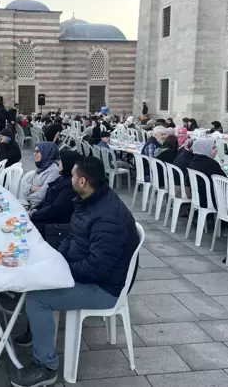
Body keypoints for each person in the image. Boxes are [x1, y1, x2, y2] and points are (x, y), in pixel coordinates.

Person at [12, 157, 139, 387]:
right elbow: (73, 235)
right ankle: (38, 332)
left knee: (37, 297)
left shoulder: (107, 216)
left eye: (71, 175)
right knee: (35, 275)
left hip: (106, 288)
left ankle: (46, 367)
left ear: (82, 181)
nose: (67, 178)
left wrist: (62, 270)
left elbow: (97, 268)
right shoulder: (89, 200)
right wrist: (57, 258)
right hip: (87, 270)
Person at [29, 150, 84, 241]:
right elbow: (47, 199)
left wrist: (35, 214)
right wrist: (35, 209)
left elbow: (55, 210)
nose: (58, 162)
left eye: (61, 161)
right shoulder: (62, 178)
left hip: (50, 226)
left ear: (67, 163)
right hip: (43, 216)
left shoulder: (69, 186)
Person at [186, 139, 226, 208]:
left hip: (197, 197)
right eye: (213, 148)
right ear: (205, 149)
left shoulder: (193, 161)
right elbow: (224, 180)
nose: (216, 150)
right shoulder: (211, 164)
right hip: (210, 199)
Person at [20, 142, 61, 209]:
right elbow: (24, 187)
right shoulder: (41, 167)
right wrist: (33, 188)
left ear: (47, 153)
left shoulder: (55, 171)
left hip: (39, 209)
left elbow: (41, 196)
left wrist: (28, 193)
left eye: (37, 152)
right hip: (30, 205)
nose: (34, 154)